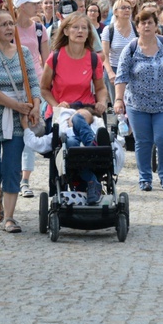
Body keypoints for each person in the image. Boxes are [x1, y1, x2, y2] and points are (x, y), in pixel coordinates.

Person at [0, 10, 41, 234]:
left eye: (11, 23)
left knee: (12, 168)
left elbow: (33, 83)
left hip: (17, 119)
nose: (9, 28)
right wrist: (17, 106)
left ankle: (10, 217)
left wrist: (36, 106)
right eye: (2, 24)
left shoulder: (23, 52)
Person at [41, 12, 109, 193]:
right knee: (70, 142)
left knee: (79, 120)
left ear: (89, 34)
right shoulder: (55, 58)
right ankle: (90, 178)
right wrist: (56, 104)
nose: (80, 31)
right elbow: (44, 89)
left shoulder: (93, 59)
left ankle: (90, 148)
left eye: (84, 28)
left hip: (85, 108)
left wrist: (102, 102)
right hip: (61, 111)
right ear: (66, 31)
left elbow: (101, 88)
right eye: (75, 27)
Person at [114, 10, 163, 192]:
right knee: (143, 141)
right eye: (143, 23)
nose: (147, 26)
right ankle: (145, 178)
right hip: (137, 104)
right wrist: (119, 99)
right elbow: (121, 76)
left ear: (156, 25)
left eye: (150, 22)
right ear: (137, 27)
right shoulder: (131, 48)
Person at [13, 0, 50, 198]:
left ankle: (25, 180)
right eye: (33, 3)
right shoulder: (9, 28)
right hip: (12, 85)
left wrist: (43, 90)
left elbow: (46, 60)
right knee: (12, 133)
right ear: (21, 6)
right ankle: (12, 176)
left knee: (30, 129)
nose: (37, 6)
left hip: (33, 85)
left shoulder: (39, 29)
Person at [102, 0, 137, 104]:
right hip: (114, 69)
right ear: (115, 11)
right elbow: (105, 55)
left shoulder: (136, 28)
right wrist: (110, 73)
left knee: (133, 104)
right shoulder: (109, 30)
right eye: (123, 8)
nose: (127, 10)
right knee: (118, 104)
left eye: (128, 8)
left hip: (134, 69)